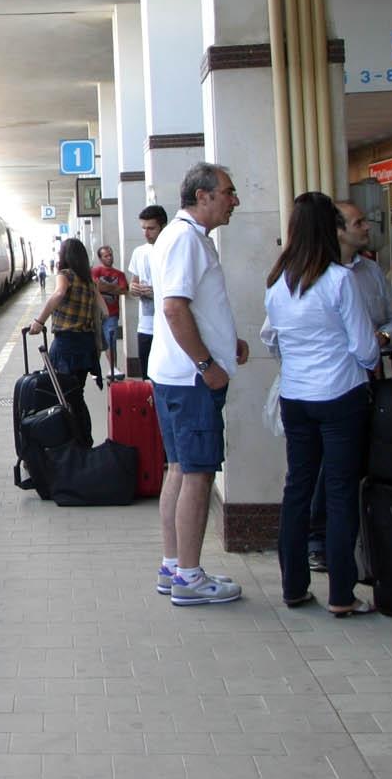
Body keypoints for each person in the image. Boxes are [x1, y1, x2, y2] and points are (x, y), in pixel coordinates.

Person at [261, 192, 379, 615]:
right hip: (341, 397)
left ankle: (294, 587)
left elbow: (273, 340)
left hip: (296, 398)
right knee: (340, 491)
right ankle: (342, 595)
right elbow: (366, 350)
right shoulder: (339, 280)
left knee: (297, 490)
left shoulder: (277, 283)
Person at [152, 162, 249, 606]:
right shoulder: (186, 240)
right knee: (198, 473)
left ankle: (174, 565)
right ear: (203, 196)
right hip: (191, 381)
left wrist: (228, 342)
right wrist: (208, 362)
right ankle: (189, 578)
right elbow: (174, 308)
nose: (235, 200)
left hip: (176, 376)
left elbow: (193, 308)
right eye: (228, 192)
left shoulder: (184, 238)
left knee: (179, 468)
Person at [306, 200, 392, 571]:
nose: (366, 227)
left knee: (362, 458)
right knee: (328, 467)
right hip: (332, 385)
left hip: (370, 380)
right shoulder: (318, 275)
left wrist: (383, 336)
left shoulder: (370, 272)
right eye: (358, 222)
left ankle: (369, 534)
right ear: (337, 231)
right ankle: (320, 541)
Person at [26, 239, 103, 390]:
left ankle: (69, 415)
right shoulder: (89, 280)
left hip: (66, 344)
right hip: (87, 343)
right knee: (77, 391)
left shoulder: (65, 275)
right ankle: (80, 415)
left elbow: (59, 293)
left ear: (65, 256)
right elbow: (104, 311)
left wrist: (39, 321)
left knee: (59, 392)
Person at [127, 205, 167, 380]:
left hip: (167, 326)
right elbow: (132, 284)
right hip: (145, 326)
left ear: (163, 226)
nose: (146, 233)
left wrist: (156, 292)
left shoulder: (170, 249)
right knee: (147, 377)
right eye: (143, 228)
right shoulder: (139, 252)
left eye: (151, 228)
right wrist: (133, 289)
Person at [91, 245, 129, 381]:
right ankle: (95, 369)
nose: (109, 257)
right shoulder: (95, 271)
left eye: (111, 254)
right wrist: (114, 287)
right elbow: (96, 286)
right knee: (96, 341)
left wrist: (105, 288)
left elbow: (124, 290)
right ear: (100, 258)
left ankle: (113, 367)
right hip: (96, 313)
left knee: (110, 340)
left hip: (112, 313)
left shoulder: (120, 274)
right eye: (106, 255)